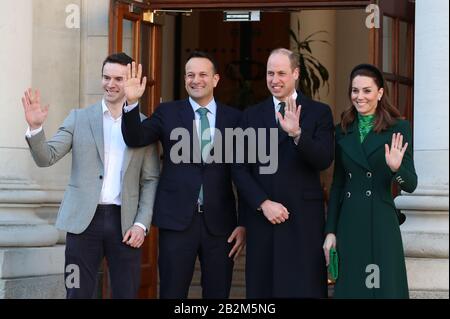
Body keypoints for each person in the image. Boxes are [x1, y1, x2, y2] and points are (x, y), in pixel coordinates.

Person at [21, 53, 160, 299]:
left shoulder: (144, 125)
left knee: (126, 294)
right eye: (106, 77)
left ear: (130, 82)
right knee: (76, 291)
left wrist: (141, 224)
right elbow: (47, 157)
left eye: (118, 78)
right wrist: (35, 128)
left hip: (125, 223)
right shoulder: (79, 118)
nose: (111, 84)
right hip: (82, 223)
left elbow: (150, 180)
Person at [121, 51, 246, 299]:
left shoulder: (235, 118)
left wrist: (243, 223)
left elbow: (244, 173)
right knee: (172, 292)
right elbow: (135, 138)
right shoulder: (167, 112)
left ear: (216, 79)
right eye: (190, 75)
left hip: (221, 225)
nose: (195, 80)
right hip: (176, 222)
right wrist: (132, 104)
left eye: (202, 74)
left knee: (218, 293)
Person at [240, 48, 334, 298]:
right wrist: (262, 203)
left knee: (304, 289)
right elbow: (239, 169)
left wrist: (298, 135)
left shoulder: (319, 112)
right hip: (264, 220)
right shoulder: (250, 115)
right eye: (270, 73)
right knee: (263, 291)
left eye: (281, 73)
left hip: (303, 220)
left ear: (295, 73)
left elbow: (324, 159)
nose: (274, 79)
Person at [323, 64, 418, 298]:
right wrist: (330, 231)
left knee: (384, 289)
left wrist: (396, 168)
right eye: (355, 91)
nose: (360, 96)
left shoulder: (398, 128)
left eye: (367, 90)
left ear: (380, 93)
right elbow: (338, 185)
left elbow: (411, 184)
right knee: (354, 288)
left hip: (381, 222)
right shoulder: (342, 130)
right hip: (349, 222)